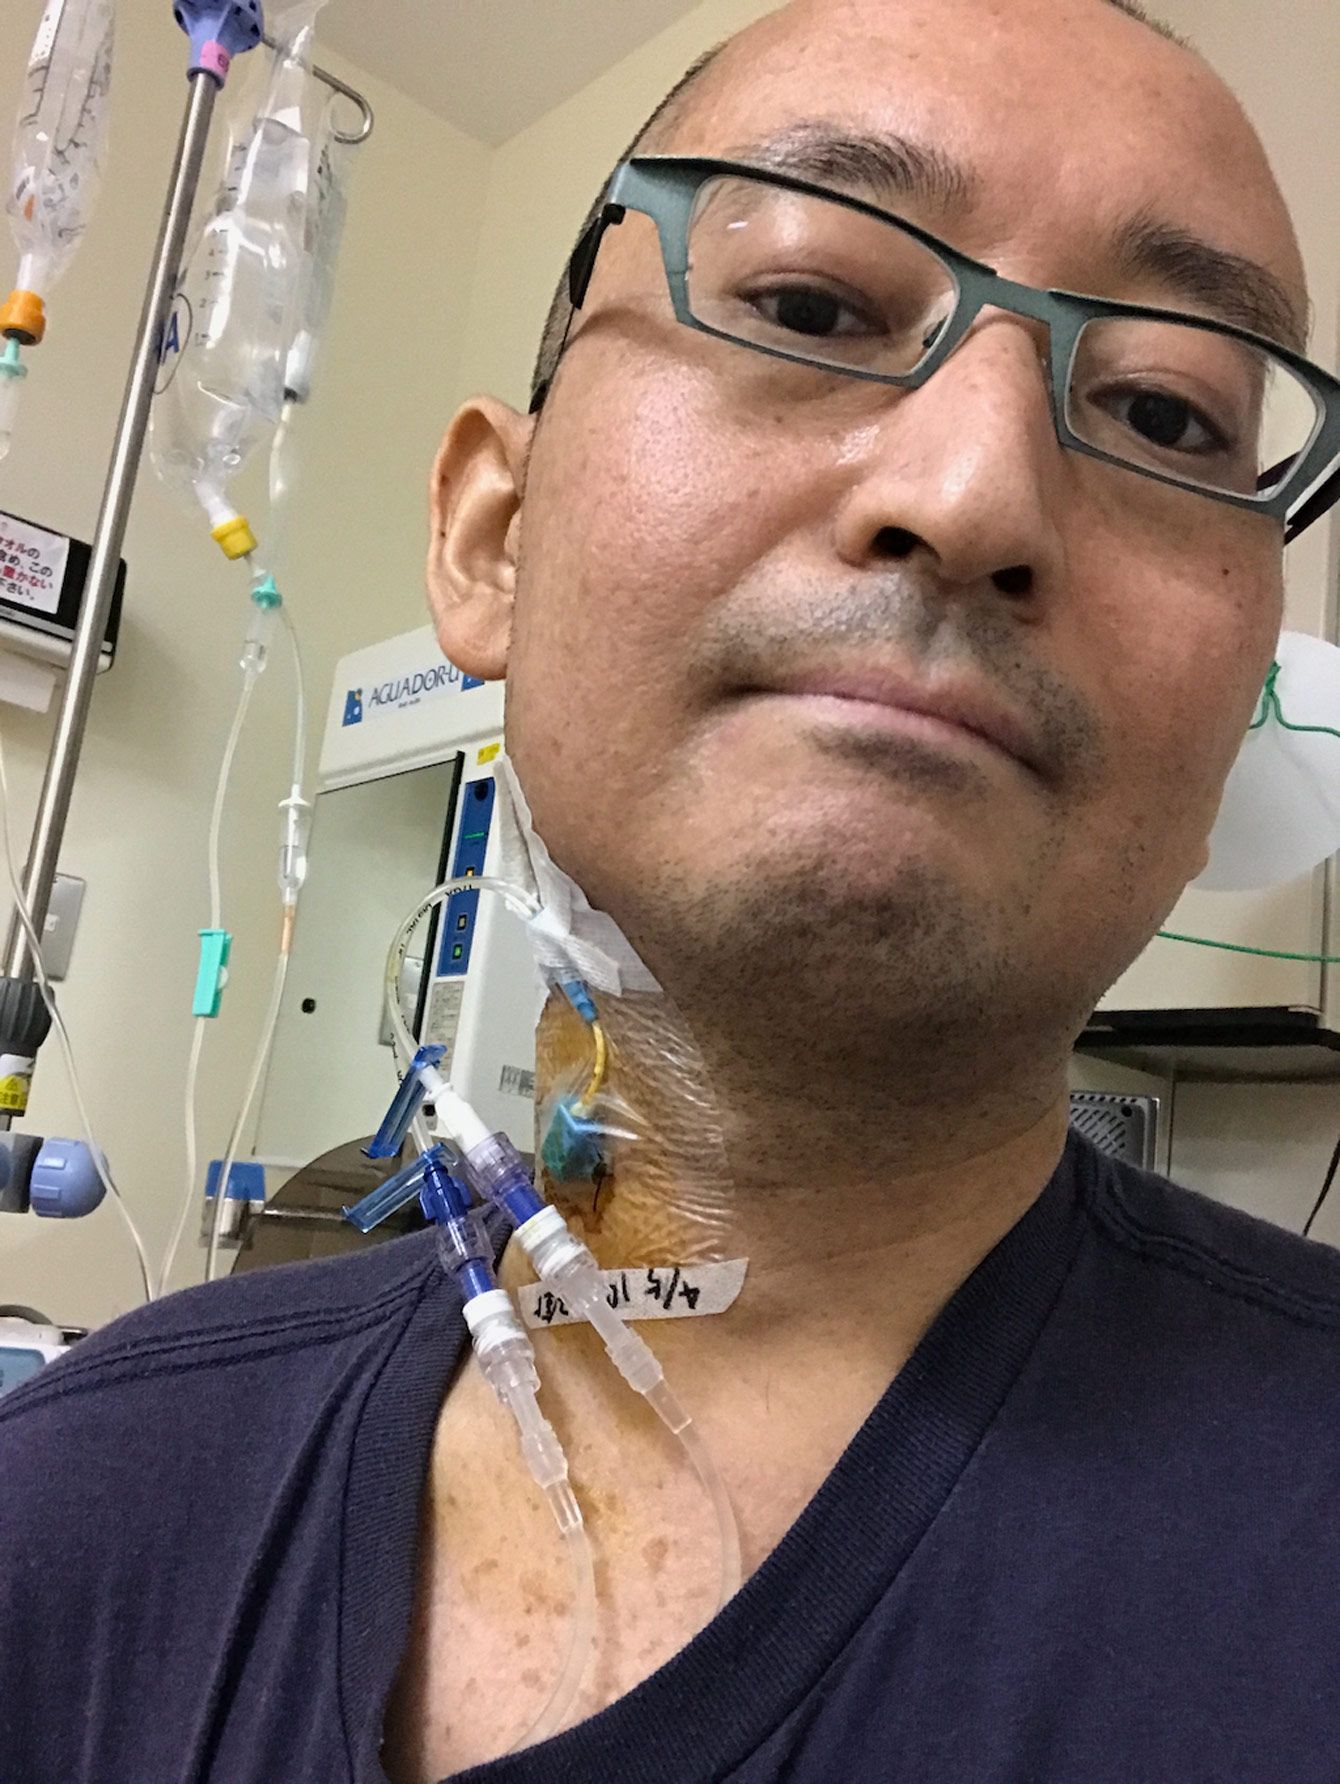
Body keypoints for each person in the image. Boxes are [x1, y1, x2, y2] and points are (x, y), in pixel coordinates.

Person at [4, 0, 1340, 1777]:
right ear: (495, 533)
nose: (973, 493)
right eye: (811, 305)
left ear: (1245, 704)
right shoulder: (78, 1518)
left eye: (1168, 413)